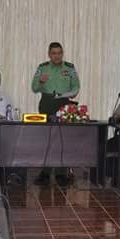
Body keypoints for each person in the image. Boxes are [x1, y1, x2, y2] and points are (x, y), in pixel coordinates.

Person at [31, 42, 80, 186]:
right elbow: (34, 88)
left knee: (62, 139)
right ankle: (45, 173)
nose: (57, 56)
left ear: (62, 53)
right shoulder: (42, 67)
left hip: (64, 103)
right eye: (53, 53)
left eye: (59, 53)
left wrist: (70, 93)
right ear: (49, 54)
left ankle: (61, 173)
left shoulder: (69, 68)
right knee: (47, 139)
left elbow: (76, 86)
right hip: (47, 103)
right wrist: (41, 81)